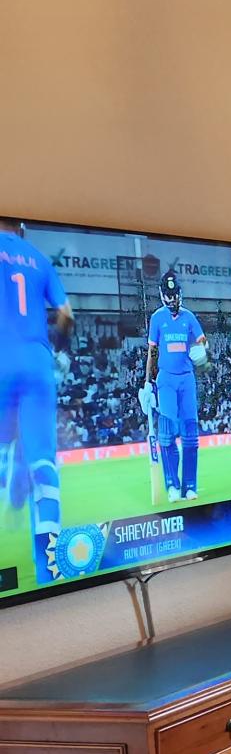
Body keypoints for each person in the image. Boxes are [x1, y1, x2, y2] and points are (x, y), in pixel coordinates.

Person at [0, 220, 73, 582]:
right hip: (37, 362)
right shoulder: (40, 259)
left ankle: (10, 464)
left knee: (4, 442)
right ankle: (49, 570)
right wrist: (58, 349)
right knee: (44, 462)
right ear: (23, 228)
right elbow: (66, 315)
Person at [147, 270, 208, 502]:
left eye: (175, 295)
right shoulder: (157, 318)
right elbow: (152, 352)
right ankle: (172, 485)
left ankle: (190, 486)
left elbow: (202, 341)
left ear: (179, 294)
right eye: (168, 296)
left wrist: (203, 349)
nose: (172, 299)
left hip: (186, 379)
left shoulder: (189, 317)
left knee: (190, 435)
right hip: (166, 380)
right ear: (163, 296)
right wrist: (147, 382)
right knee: (167, 433)